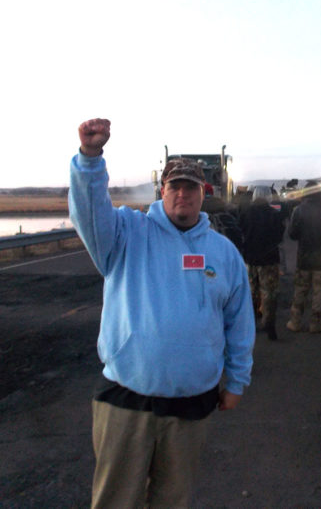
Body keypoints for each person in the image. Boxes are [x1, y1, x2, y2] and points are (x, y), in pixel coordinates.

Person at [69, 118, 255, 509]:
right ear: (162, 190)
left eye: (191, 187)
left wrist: (236, 380)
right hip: (126, 400)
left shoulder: (223, 253)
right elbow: (89, 212)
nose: (182, 195)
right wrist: (90, 158)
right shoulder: (124, 234)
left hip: (191, 403)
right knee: (116, 501)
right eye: (175, 186)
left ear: (204, 192)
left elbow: (239, 321)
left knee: (174, 500)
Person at [286, 181, 321, 333]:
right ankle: (316, 323)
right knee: (319, 292)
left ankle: (295, 321)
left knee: (300, 291)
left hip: (303, 258)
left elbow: (292, 234)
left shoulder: (298, 210)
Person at [238, 185, 285, 340]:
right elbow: (279, 236)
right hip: (269, 259)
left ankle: (248, 325)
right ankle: (269, 325)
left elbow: (240, 233)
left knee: (251, 292)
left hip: (250, 258)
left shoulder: (245, 213)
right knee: (269, 293)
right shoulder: (274, 214)